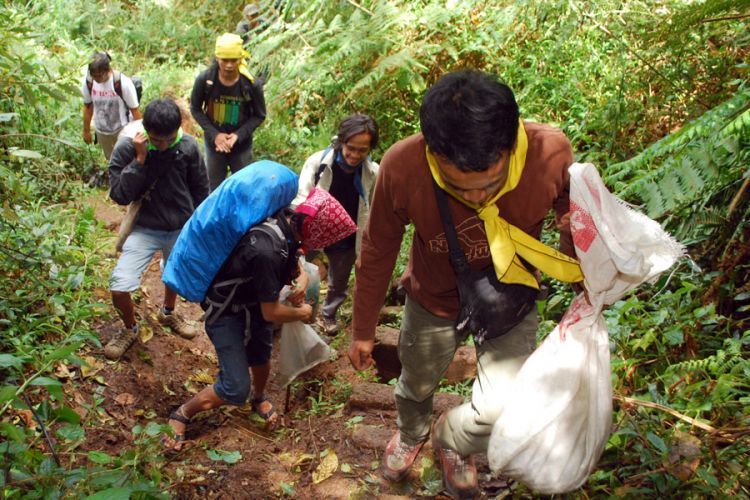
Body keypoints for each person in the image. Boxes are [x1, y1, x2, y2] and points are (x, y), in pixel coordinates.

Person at [347, 70, 583, 498]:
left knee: (503, 407)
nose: (478, 199)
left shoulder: (549, 153)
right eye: (460, 189)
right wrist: (363, 329)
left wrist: (573, 228)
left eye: (491, 185)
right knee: (416, 381)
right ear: (434, 153)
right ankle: (412, 431)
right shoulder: (403, 167)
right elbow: (378, 249)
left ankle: (452, 440)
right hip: (432, 298)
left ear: (510, 145)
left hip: (512, 295)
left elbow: (572, 210)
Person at [163, 188, 357, 450]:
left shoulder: (288, 220)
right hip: (227, 310)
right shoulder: (267, 250)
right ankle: (182, 413)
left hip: (254, 302)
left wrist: (301, 279)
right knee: (235, 389)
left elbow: (296, 256)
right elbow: (272, 313)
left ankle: (259, 397)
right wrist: (302, 313)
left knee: (261, 357)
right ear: (313, 229)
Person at [107, 98, 209, 361]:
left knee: (173, 274)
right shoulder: (127, 147)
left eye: (168, 139)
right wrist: (140, 160)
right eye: (156, 140)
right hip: (144, 227)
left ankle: (168, 311)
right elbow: (119, 194)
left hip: (180, 226)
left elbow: (200, 189)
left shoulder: (188, 147)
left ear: (179, 129)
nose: (162, 145)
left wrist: (200, 228)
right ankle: (130, 328)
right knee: (119, 287)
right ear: (145, 129)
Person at [292, 114, 379, 335]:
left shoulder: (372, 173)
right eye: (351, 148)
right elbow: (301, 198)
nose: (355, 155)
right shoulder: (318, 163)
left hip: (347, 235)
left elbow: (374, 205)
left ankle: (328, 314)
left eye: (363, 150)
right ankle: (301, 312)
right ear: (341, 141)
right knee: (302, 271)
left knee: (338, 281)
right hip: (313, 230)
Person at [190, 33, 266, 191]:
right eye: (225, 60)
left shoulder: (250, 84)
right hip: (214, 146)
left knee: (244, 189)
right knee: (213, 190)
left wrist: (238, 136)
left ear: (241, 58)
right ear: (217, 58)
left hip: (241, 146)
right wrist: (215, 135)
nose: (229, 65)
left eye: (233, 60)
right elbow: (196, 109)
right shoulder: (205, 80)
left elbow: (259, 115)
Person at [81, 51, 141, 161]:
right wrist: (86, 130)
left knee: (126, 158)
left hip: (123, 129)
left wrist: (141, 133)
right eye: (93, 75)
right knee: (111, 159)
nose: (96, 79)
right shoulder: (88, 82)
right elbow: (88, 106)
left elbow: (134, 109)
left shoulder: (122, 83)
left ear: (108, 70)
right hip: (102, 130)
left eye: (99, 76)